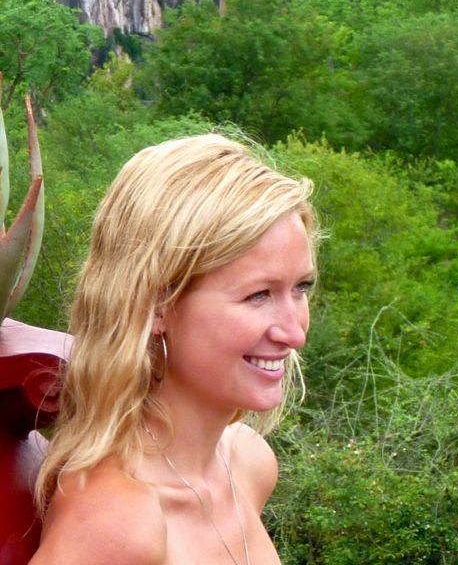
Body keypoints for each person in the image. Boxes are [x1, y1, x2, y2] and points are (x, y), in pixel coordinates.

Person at [30, 133, 318, 565]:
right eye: (258, 295)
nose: (294, 332)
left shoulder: (247, 464)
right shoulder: (116, 520)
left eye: (300, 288)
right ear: (155, 303)